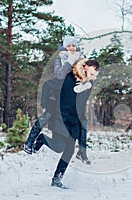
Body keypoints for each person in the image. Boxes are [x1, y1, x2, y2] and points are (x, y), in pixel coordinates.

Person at [23, 36, 95, 164]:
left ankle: (82, 152)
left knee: (82, 123)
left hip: (72, 100)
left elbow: (90, 77)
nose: (72, 48)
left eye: (74, 46)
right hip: (56, 97)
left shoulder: (83, 60)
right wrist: (70, 62)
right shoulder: (60, 58)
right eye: (69, 45)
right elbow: (59, 76)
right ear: (65, 46)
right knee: (46, 116)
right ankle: (30, 142)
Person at [32, 59, 100, 189]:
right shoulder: (69, 78)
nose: (93, 78)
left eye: (95, 76)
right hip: (60, 116)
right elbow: (50, 85)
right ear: (85, 68)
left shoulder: (88, 84)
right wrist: (46, 104)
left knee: (69, 151)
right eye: (92, 74)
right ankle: (41, 139)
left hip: (74, 120)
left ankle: (57, 179)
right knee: (58, 147)